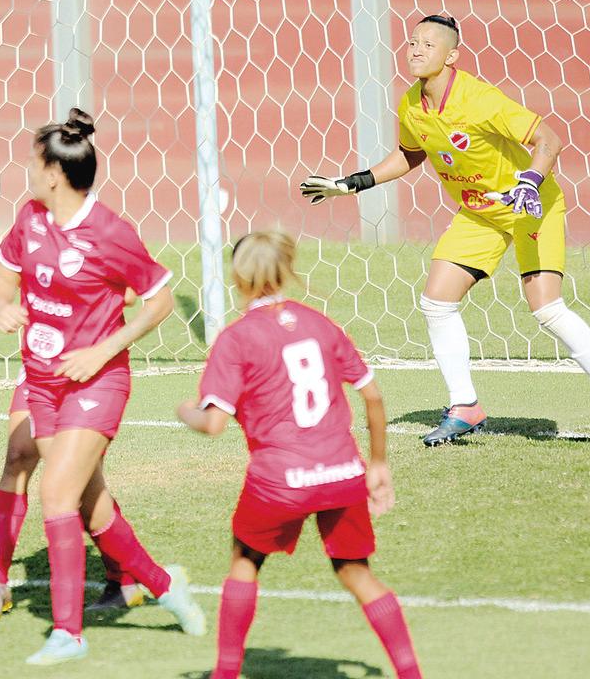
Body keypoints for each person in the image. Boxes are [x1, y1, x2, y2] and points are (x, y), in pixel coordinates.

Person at [301, 12, 590, 445]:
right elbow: (412, 154)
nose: (416, 50)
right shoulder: (412, 103)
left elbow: (549, 139)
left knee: (545, 307)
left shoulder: (480, 99)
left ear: (451, 56)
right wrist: (355, 183)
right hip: (479, 213)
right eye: (412, 42)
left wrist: (530, 181)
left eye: (428, 45)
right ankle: (465, 405)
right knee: (436, 301)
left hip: (530, 204)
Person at [0, 109, 205, 666]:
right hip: (42, 381)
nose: (26, 169)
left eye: (32, 160)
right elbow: (4, 274)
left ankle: (68, 632)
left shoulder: (110, 233)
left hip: (97, 382)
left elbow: (160, 299)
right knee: (92, 508)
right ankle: (166, 586)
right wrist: (3, 304)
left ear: (53, 172)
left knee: (55, 494)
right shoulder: (31, 217)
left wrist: (104, 347)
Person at [177, 230, 422, 679]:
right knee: (356, 573)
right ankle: (411, 673)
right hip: (343, 471)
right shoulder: (319, 323)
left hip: (280, 480)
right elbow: (372, 396)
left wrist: (187, 412)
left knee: (246, 560)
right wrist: (379, 463)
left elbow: (213, 424)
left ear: (237, 276)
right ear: (287, 269)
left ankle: (225, 674)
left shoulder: (236, 339)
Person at [0, 296, 150, 623]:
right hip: (41, 359)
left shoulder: (105, 243)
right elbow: (6, 271)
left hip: (89, 362)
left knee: (82, 482)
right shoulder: (26, 241)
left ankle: (125, 577)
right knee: (17, 456)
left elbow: (131, 293)